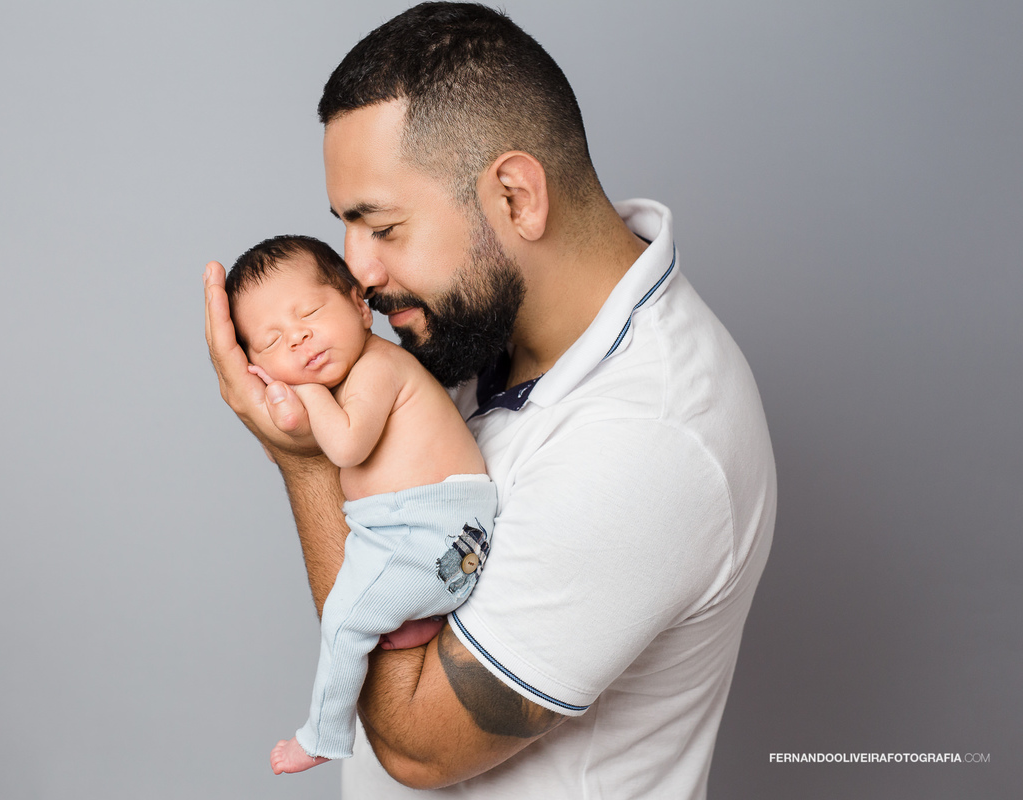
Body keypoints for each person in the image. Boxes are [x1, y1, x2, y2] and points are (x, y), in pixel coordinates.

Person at [203, 3, 776, 797]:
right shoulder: (471, 335)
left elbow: (418, 749)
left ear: (514, 196)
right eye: (346, 228)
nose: (356, 271)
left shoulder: (649, 436)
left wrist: (303, 464)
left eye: (384, 227)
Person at [224, 234, 497, 775]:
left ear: (357, 302)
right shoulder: (354, 373)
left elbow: (346, 445)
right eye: (273, 340)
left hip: (437, 535)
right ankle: (416, 617)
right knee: (363, 592)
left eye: (309, 312)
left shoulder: (378, 367)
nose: (299, 338)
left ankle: (323, 733)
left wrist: (305, 393)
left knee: (344, 622)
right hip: (422, 539)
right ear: (254, 363)